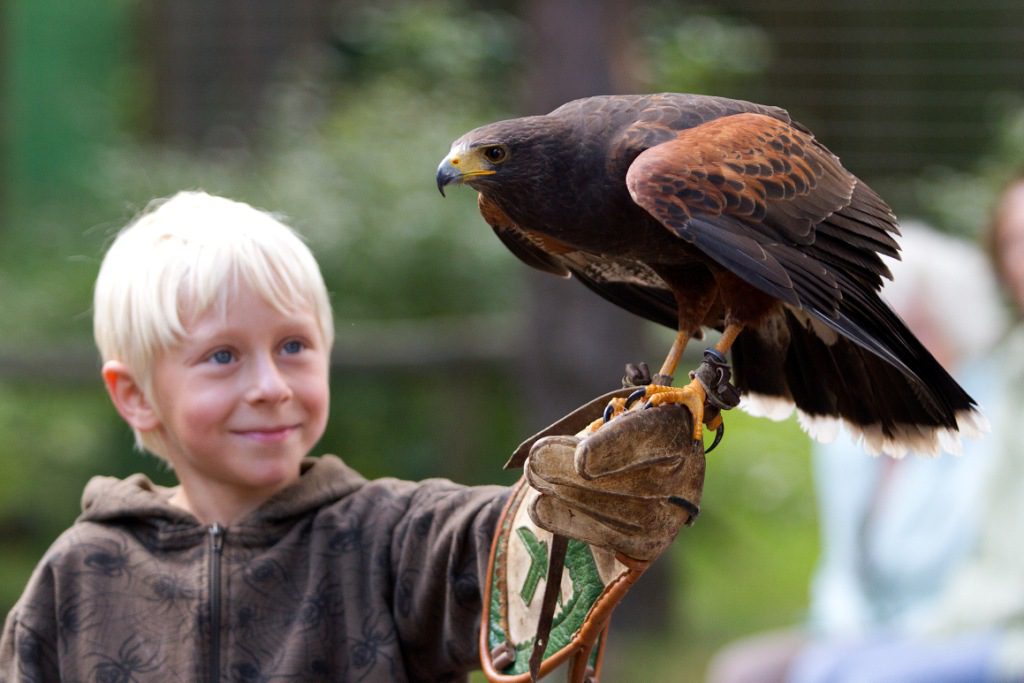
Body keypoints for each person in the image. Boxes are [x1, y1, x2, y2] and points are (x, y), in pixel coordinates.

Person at [0, 191, 700, 682]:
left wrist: (582, 503)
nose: (271, 383)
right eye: (223, 355)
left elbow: (503, 541)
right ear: (135, 396)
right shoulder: (80, 574)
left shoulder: (392, 539)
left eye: (294, 345)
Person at [706, 210, 1021, 683]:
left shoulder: (993, 416)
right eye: (879, 335)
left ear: (959, 328)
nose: (894, 353)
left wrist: (879, 649)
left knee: (848, 675)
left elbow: (979, 569)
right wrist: (845, 631)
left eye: (917, 330)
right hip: (864, 630)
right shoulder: (853, 431)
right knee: (744, 670)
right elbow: (841, 568)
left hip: (959, 626)